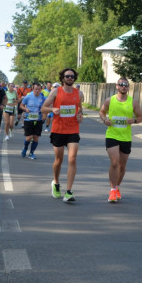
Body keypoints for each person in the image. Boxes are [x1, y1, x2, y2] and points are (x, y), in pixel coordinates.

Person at [41, 68, 84, 203]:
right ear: (63, 78)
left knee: (72, 159)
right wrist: (52, 109)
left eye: (72, 76)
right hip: (58, 130)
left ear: (74, 78)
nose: (70, 78)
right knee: (58, 160)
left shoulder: (79, 93)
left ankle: (69, 191)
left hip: (73, 130)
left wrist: (80, 116)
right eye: (67, 76)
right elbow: (43, 108)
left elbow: (80, 109)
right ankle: (56, 182)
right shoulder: (56, 91)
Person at [99, 77, 142, 203]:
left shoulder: (133, 102)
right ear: (117, 86)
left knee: (122, 166)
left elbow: (140, 117)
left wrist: (133, 120)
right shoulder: (109, 100)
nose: (124, 86)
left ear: (128, 87)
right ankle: (112, 190)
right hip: (112, 135)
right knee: (114, 162)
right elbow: (102, 112)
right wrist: (104, 120)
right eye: (121, 84)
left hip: (126, 137)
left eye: (126, 85)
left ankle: (117, 187)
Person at [19, 82, 45, 159]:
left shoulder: (43, 98)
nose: (37, 90)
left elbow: (46, 107)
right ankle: (25, 147)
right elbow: (21, 105)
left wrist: (44, 115)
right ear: (33, 89)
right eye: (35, 89)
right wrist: (25, 109)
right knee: (29, 137)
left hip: (38, 119)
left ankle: (31, 153)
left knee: (36, 137)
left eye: (39, 89)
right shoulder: (28, 96)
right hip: (28, 119)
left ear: (41, 90)